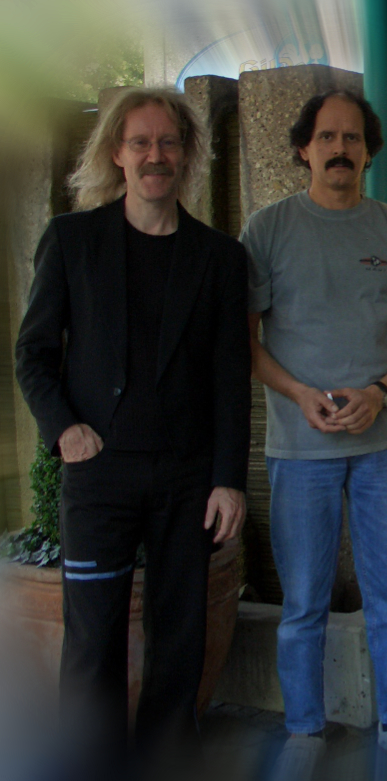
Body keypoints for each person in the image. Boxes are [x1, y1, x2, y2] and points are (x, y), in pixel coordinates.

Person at [15, 87, 251, 776]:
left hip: (186, 479)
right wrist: (63, 430)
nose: (156, 155)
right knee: (92, 639)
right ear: (116, 153)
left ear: (187, 154)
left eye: (168, 142)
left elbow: (230, 378)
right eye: (141, 142)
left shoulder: (220, 257)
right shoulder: (72, 241)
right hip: (100, 476)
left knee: (179, 638)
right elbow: (33, 354)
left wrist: (229, 479)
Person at [241, 89, 387, 780]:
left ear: (368, 150)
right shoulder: (267, 230)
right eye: (326, 137)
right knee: (303, 602)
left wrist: (381, 392)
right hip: (300, 449)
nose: (339, 149)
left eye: (352, 138)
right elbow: (245, 343)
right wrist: (300, 394)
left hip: (383, 444)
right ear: (304, 148)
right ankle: (303, 728)